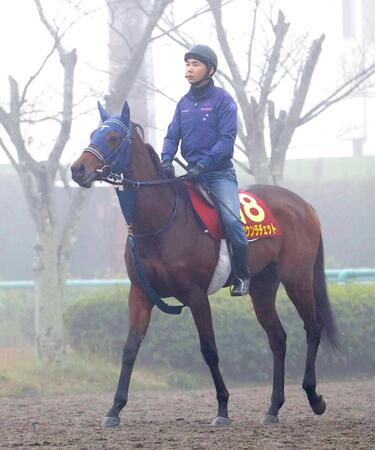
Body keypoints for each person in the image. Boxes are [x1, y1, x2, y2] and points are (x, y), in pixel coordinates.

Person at [161, 44, 251, 296]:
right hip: (191, 173)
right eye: (187, 64)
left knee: (232, 222)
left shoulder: (223, 100)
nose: (189, 69)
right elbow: (171, 136)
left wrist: (204, 164)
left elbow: (226, 140)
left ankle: (243, 275)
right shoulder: (183, 103)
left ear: (209, 70)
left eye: (195, 64)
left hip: (218, 174)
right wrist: (166, 158)